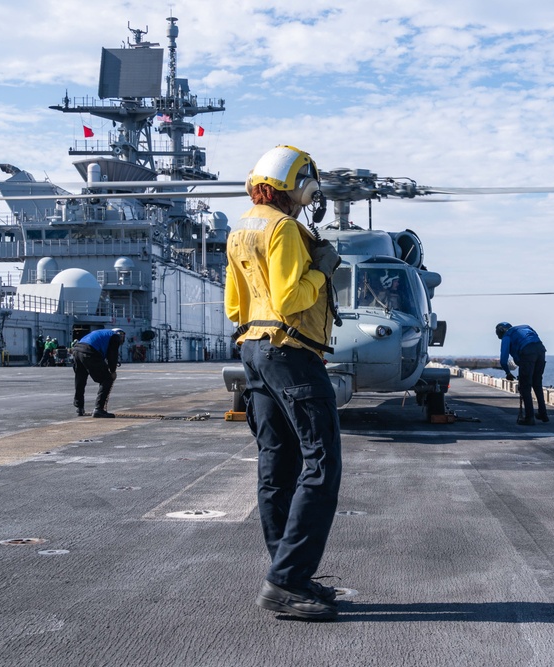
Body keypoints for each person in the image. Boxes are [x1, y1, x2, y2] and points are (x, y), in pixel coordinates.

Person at [225, 145, 343, 621]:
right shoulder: (285, 228)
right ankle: (286, 581)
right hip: (291, 350)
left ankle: (285, 569)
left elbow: (235, 305)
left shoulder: (240, 229)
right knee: (322, 461)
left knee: (277, 461)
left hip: (253, 349)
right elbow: (293, 297)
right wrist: (323, 269)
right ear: (298, 187)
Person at [496, 322, 548, 425]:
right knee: (537, 384)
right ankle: (543, 414)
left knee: (525, 386)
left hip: (527, 352)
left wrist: (508, 373)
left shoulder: (507, 336)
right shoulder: (526, 327)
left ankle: (529, 417)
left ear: (501, 331)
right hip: (541, 350)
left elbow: (503, 360)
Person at [72, 328, 125, 418]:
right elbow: (112, 355)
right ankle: (99, 409)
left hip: (77, 350)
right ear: (121, 335)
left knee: (80, 379)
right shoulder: (115, 337)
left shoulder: (102, 333)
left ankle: (79, 407)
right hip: (89, 351)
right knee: (107, 379)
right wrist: (113, 371)